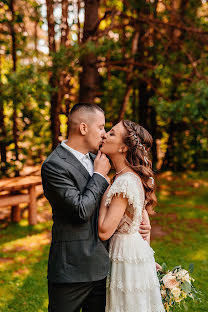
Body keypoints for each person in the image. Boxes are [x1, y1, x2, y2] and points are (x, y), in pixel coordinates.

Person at [41, 103, 151, 312]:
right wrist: (99, 176)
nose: (103, 134)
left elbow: (126, 186)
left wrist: (142, 219)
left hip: (104, 267)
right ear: (83, 128)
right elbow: (80, 210)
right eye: (101, 127)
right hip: (71, 270)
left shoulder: (99, 159)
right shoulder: (54, 166)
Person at [98, 120, 165, 312]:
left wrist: (103, 185)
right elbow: (142, 221)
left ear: (123, 147)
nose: (104, 135)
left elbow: (104, 231)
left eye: (111, 134)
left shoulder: (124, 182)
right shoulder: (128, 176)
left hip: (126, 255)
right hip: (134, 250)